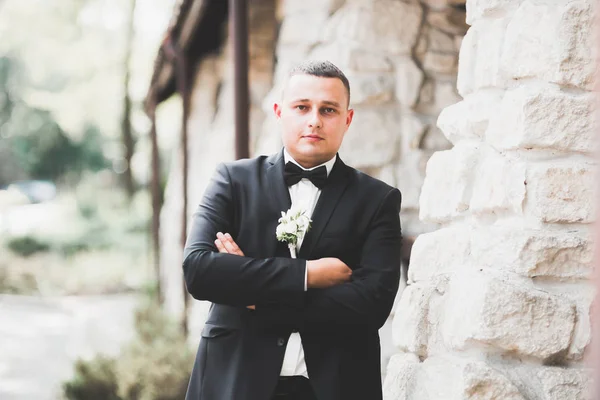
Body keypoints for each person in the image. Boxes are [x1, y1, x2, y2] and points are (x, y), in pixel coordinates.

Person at [183, 60, 402, 400]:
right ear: (279, 111)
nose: (314, 119)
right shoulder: (232, 181)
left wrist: (254, 295)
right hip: (233, 383)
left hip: (335, 388)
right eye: (302, 107)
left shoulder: (377, 200)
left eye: (328, 110)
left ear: (347, 119)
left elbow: (371, 304)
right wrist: (307, 275)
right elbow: (199, 271)